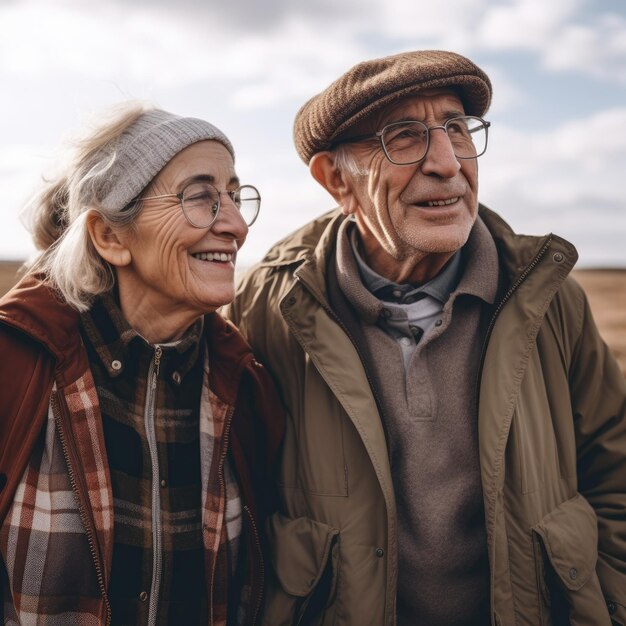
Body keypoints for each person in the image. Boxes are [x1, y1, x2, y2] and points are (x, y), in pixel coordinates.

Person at [225, 50, 626, 625]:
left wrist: (608, 606)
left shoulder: (547, 296)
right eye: (404, 138)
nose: (447, 162)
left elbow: (615, 471)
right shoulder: (269, 307)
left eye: (457, 129)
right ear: (336, 178)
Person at [0, 103, 284, 625]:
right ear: (111, 236)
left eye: (235, 196)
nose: (237, 225)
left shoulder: (245, 387)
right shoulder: (14, 364)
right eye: (201, 196)